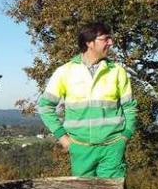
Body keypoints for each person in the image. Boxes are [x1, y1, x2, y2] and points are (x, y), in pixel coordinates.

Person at [37, 22, 136, 178]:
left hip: (113, 148)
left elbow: (129, 107)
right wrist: (64, 139)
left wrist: (125, 136)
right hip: (80, 149)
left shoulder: (117, 71)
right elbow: (44, 106)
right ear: (89, 43)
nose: (111, 43)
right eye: (105, 39)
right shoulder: (65, 72)